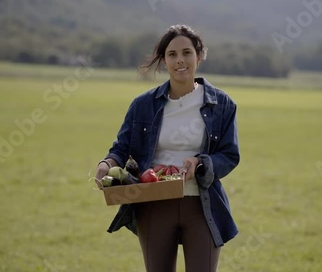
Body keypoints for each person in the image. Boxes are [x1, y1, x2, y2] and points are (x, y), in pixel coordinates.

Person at [95, 24, 240, 272]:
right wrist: (106, 164)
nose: (180, 60)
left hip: (203, 206)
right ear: (164, 61)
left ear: (199, 56)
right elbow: (121, 147)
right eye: (172, 55)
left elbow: (229, 154)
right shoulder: (143, 105)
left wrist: (201, 162)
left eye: (186, 53)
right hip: (153, 204)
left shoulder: (222, 104)